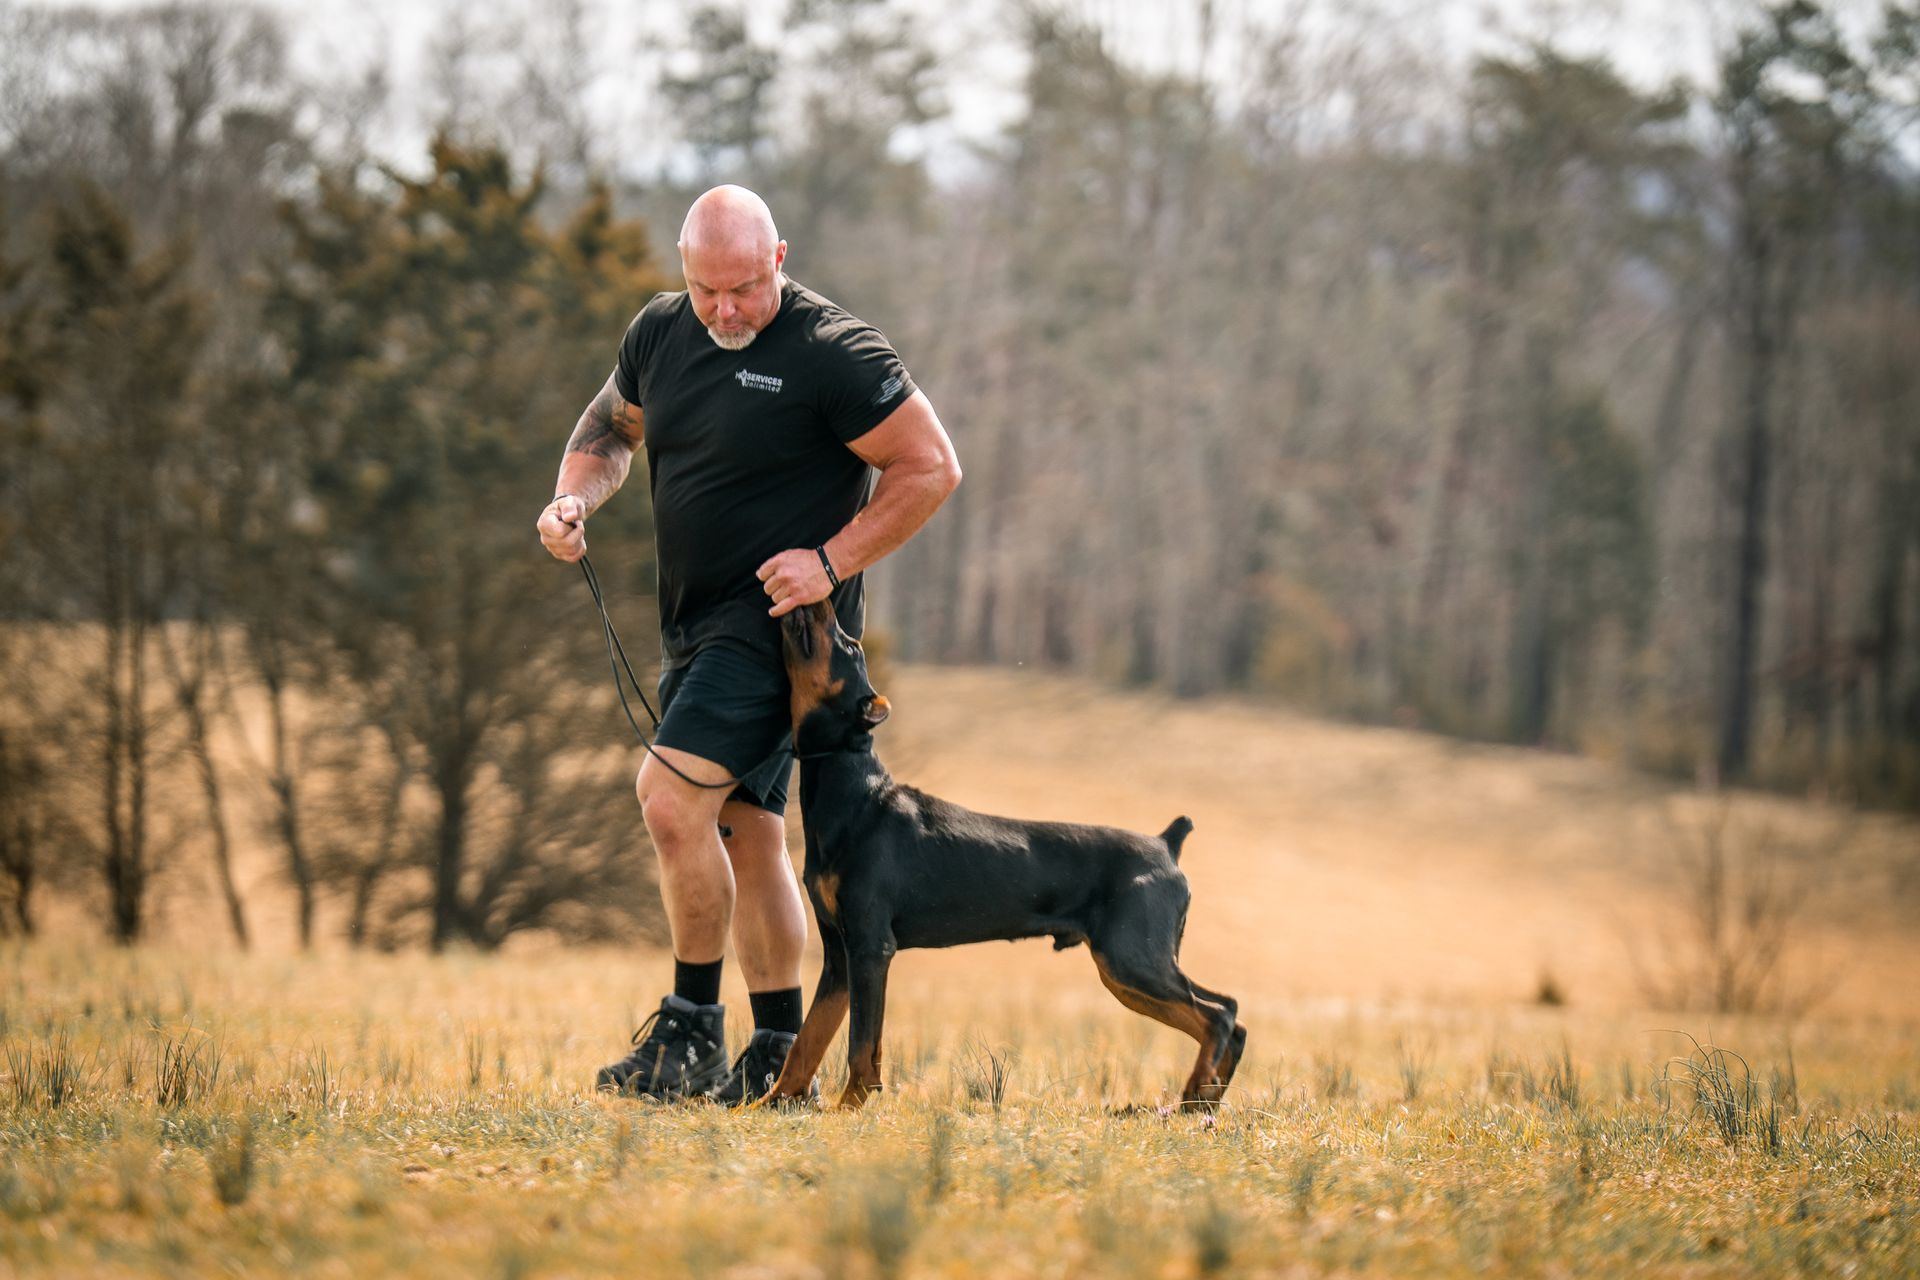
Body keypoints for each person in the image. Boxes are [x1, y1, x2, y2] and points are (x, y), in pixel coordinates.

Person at [535, 186, 960, 1104]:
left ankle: (688, 1037)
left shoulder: (835, 352)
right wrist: (574, 499)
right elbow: (612, 426)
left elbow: (932, 466)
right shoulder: (660, 333)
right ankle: (776, 1051)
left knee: (668, 801)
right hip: (691, 623)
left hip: (779, 634)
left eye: (741, 289)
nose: (724, 311)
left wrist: (831, 560)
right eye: (704, 290)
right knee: (750, 830)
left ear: (778, 259)